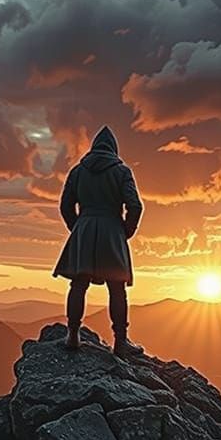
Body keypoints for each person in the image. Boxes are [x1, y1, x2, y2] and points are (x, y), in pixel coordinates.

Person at [53, 125, 143, 354]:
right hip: (112, 230)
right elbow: (134, 206)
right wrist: (125, 231)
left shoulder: (77, 171)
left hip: (84, 227)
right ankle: (121, 342)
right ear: (114, 149)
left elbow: (65, 205)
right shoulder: (122, 171)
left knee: (78, 284)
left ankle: (73, 334)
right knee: (117, 288)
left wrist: (77, 228)